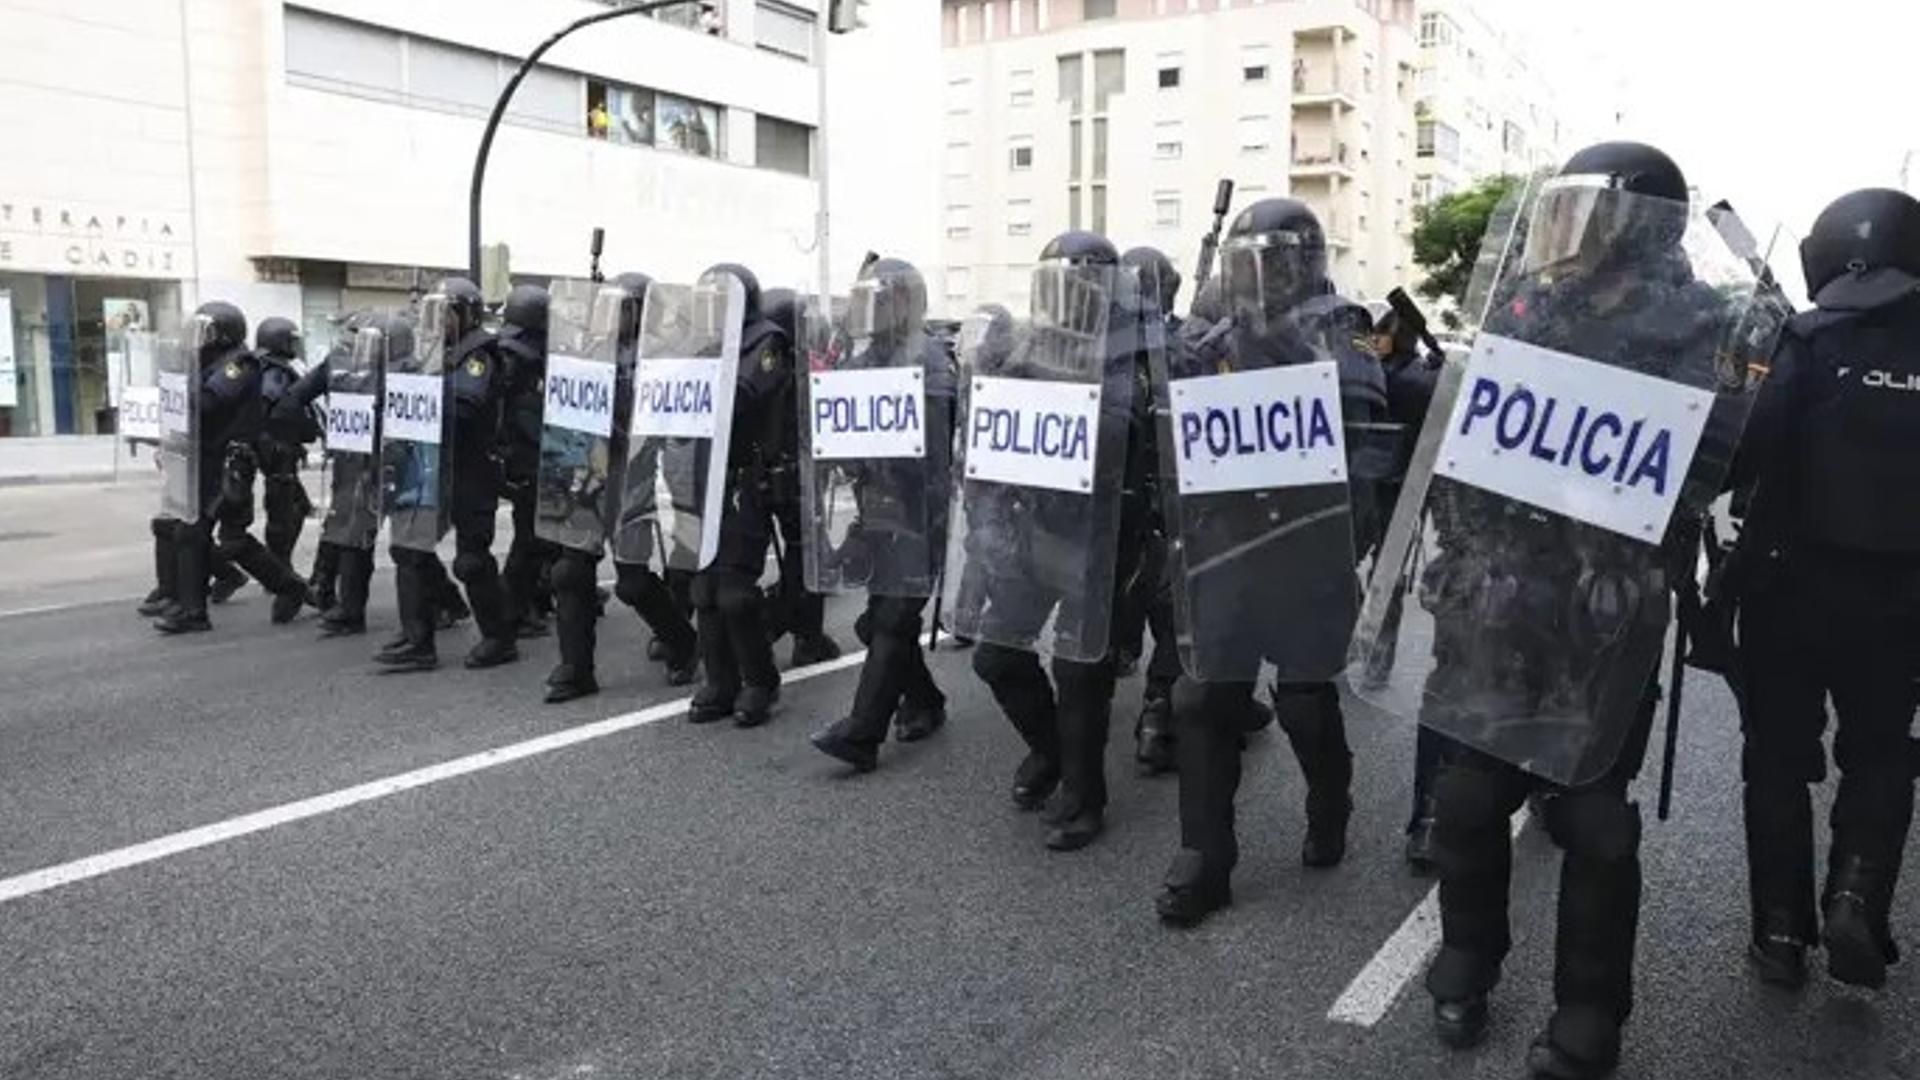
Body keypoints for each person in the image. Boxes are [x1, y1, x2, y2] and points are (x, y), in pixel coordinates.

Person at [1388, 142, 1744, 1080]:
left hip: (1608, 607)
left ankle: (1589, 1012)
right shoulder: (1526, 310)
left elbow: (1723, 465)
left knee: (1595, 823)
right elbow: (1468, 441)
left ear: (1632, 224)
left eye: (1583, 214)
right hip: (1503, 598)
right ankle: (1469, 953)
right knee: (1466, 797)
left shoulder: (1698, 331)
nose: (1563, 234)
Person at [1153, 199, 1394, 928]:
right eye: (1247, 260)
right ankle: (1206, 856)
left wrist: (1276, 354)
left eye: (1276, 260)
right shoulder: (1211, 329)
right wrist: (1183, 363)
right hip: (1227, 546)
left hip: (1306, 547)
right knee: (1201, 700)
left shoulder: (1337, 330)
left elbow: (1365, 435)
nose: (1260, 275)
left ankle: (1329, 805)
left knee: (1302, 700)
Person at [1731, 186, 1920, 992]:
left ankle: (1779, 931)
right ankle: (1855, 897)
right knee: (1881, 754)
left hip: (1787, 585)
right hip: (1904, 599)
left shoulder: (1803, 336)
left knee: (1776, 760)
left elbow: (1745, 453)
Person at [953, 231, 1153, 851]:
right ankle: (1053, 751)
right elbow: (989, 435)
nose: (1067, 297)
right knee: (996, 656)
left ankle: (1084, 796)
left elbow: (1141, 432)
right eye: (1056, 284)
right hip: (1034, 529)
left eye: (1078, 284)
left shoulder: (1138, 349)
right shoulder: (1029, 348)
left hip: (1106, 537)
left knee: (1080, 670)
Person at [806, 258, 955, 770]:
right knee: (876, 624)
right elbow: (840, 433)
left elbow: (935, 452)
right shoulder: (860, 363)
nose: (871, 310)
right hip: (876, 511)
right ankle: (926, 701)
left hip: (917, 511)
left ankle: (861, 734)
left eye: (882, 300)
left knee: (892, 618)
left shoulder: (929, 359)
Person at [379, 278, 517, 672]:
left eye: (446, 313)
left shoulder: (480, 355)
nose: (437, 322)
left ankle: (499, 637)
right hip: (430, 467)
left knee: (471, 561)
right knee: (409, 549)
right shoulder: (430, 353)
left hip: (472, 469)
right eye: (432, 313)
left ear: (468, 314)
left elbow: (468, 404)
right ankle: (417, 640)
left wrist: (421, 390)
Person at [155, 302, 312, 633]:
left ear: (224, 335)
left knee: (201, 533)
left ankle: (194, 611)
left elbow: (210, 403)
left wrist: (181, 388)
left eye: (206, 332)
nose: (198, 339)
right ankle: (287, 586)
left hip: (228, 461)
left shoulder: (239, 364)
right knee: (211, 535)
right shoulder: (205, 363)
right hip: (202, 458)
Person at [687, 263, 786, 728]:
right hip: (704, 473)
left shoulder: (765, 341)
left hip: (747, 476)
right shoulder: (697, 345)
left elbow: (744, 393)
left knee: (735, 592)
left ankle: (760, 680)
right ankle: (720, 680)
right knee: (704, 589)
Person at [1114, 245, 1184, 776]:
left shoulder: (1105, 351)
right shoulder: (1184, 347)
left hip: (1141, 507)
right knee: (1176, 619)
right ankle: (1158, 711)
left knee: (1167, 613)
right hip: (1156, 507)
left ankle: (1159, 711)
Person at [759, 286, 844, 668]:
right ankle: (796, 632)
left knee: (804, 556)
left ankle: (800, 632)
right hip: (797, 478)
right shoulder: (805, 373)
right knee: (810, 556)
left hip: (759, 479)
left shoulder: (755, 366)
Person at [497, 284, 560, 639]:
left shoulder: (508, 350)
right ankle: (513, 610)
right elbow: (525, 414)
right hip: (528, 456)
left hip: (523, 456)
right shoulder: (522, 356)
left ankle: (532, 601)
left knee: (537, 537)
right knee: (531, 539)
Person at [253, 317, 318, 570]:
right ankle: (277, 567)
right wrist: (274, 438)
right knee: (285, 510)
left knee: (295, 506)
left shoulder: (267, 365)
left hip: (281, 447)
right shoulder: (276, 371)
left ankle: (278, 563)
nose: (295, 345)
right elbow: (269, 404)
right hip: (278, 450)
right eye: (291, 340)